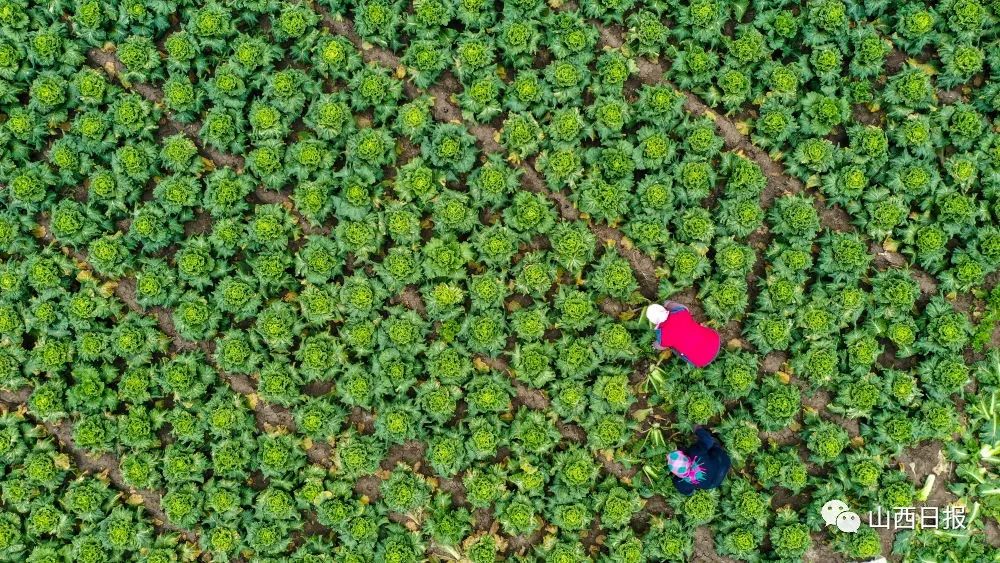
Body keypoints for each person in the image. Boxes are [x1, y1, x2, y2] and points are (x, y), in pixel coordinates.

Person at [645, 301, 721, 368]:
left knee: (673, 348)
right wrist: (667, 303)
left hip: (702, 360)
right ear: (664, 309)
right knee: (695, 329)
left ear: (654, 323)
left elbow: (660, 346)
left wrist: (654, 345)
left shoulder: (664, 338)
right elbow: (683, 307)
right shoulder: (681, 311)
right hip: (715, 341)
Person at [668, 427, 731, 495]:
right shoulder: (695, 454)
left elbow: (688, 493)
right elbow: (708, 441)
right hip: (724, 463)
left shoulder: (680, 482)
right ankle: (717, 446)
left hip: (713, 484)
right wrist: (698, 429)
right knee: (710, 446)